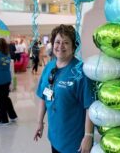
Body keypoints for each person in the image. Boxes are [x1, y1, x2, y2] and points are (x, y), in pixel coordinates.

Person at [33, 24, 94, 153]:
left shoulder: (80, 72)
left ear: (73, 46)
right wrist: (39, 122)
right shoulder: (49, 67)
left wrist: (88, 135)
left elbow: (90, 106)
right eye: (57, 42)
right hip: (55, 136)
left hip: (74, 142)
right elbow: (44, 96)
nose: (60, 46)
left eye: (66, 42)